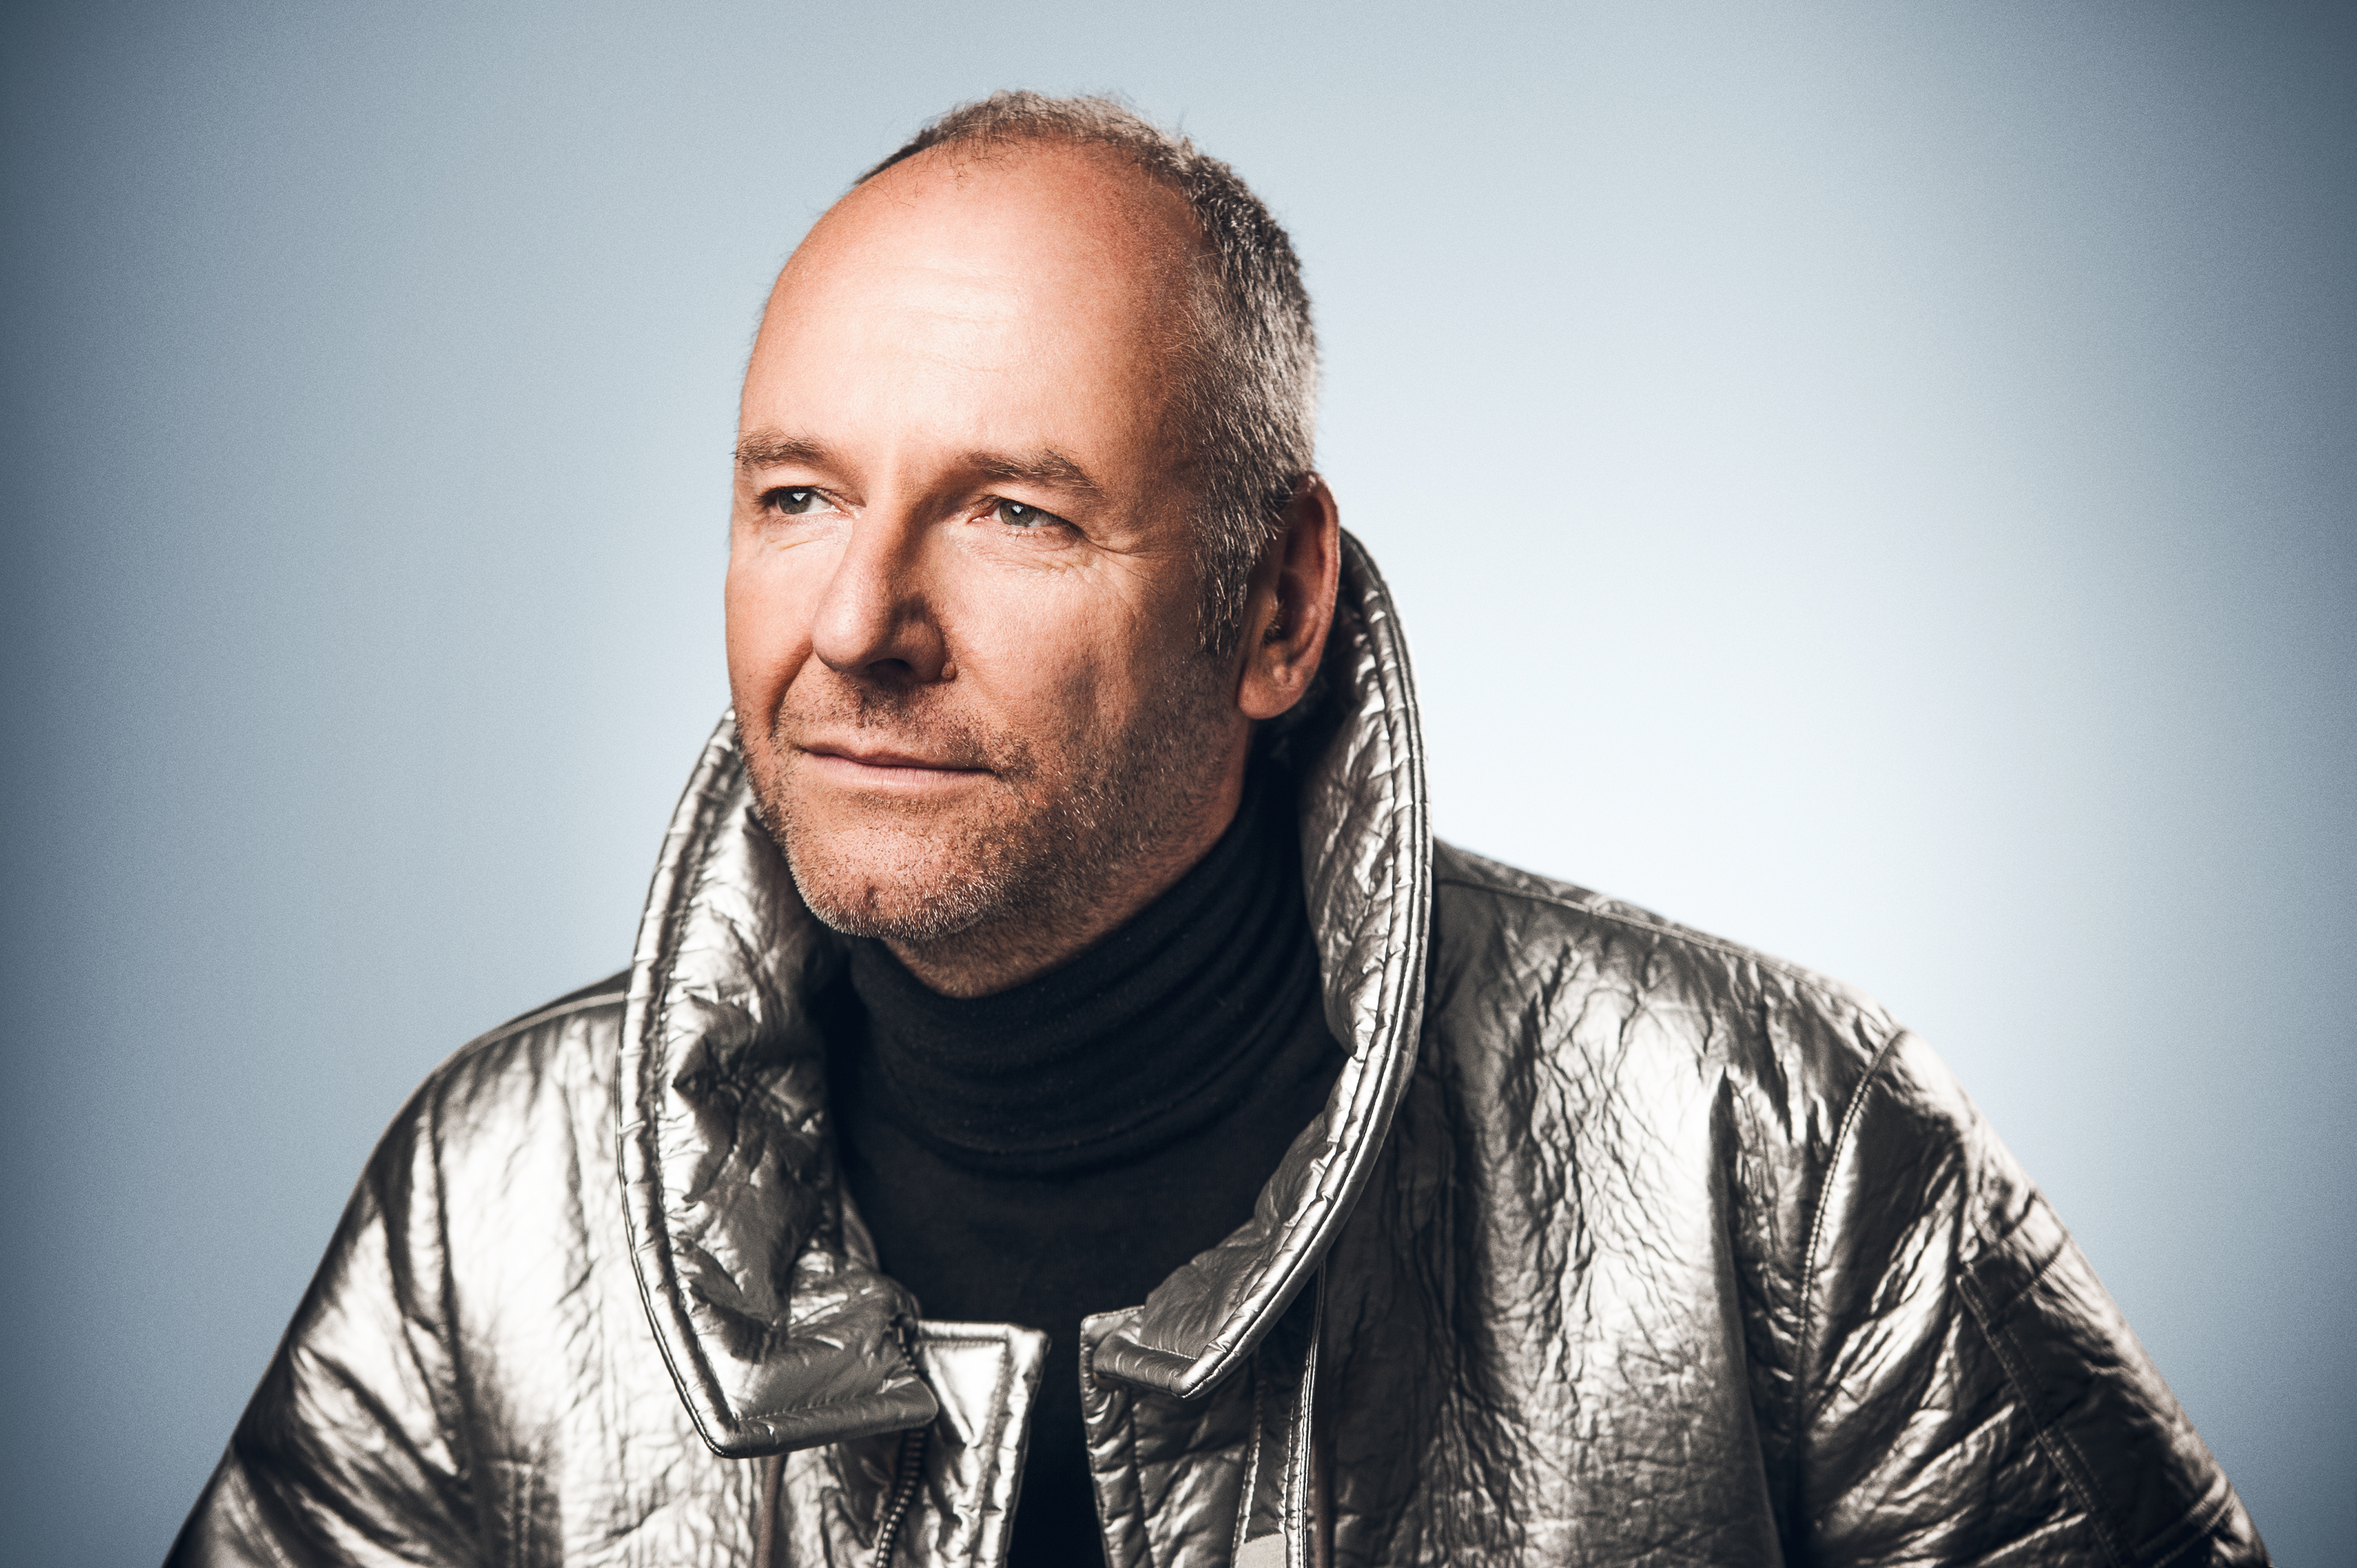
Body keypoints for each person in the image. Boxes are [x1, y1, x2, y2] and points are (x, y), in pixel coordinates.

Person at [169, 91, 2267, 1568]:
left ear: (1275, 605)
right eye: (794, 494)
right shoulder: (485, 1209)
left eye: (1012, 509)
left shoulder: (1777, 1159)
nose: (858, 624)